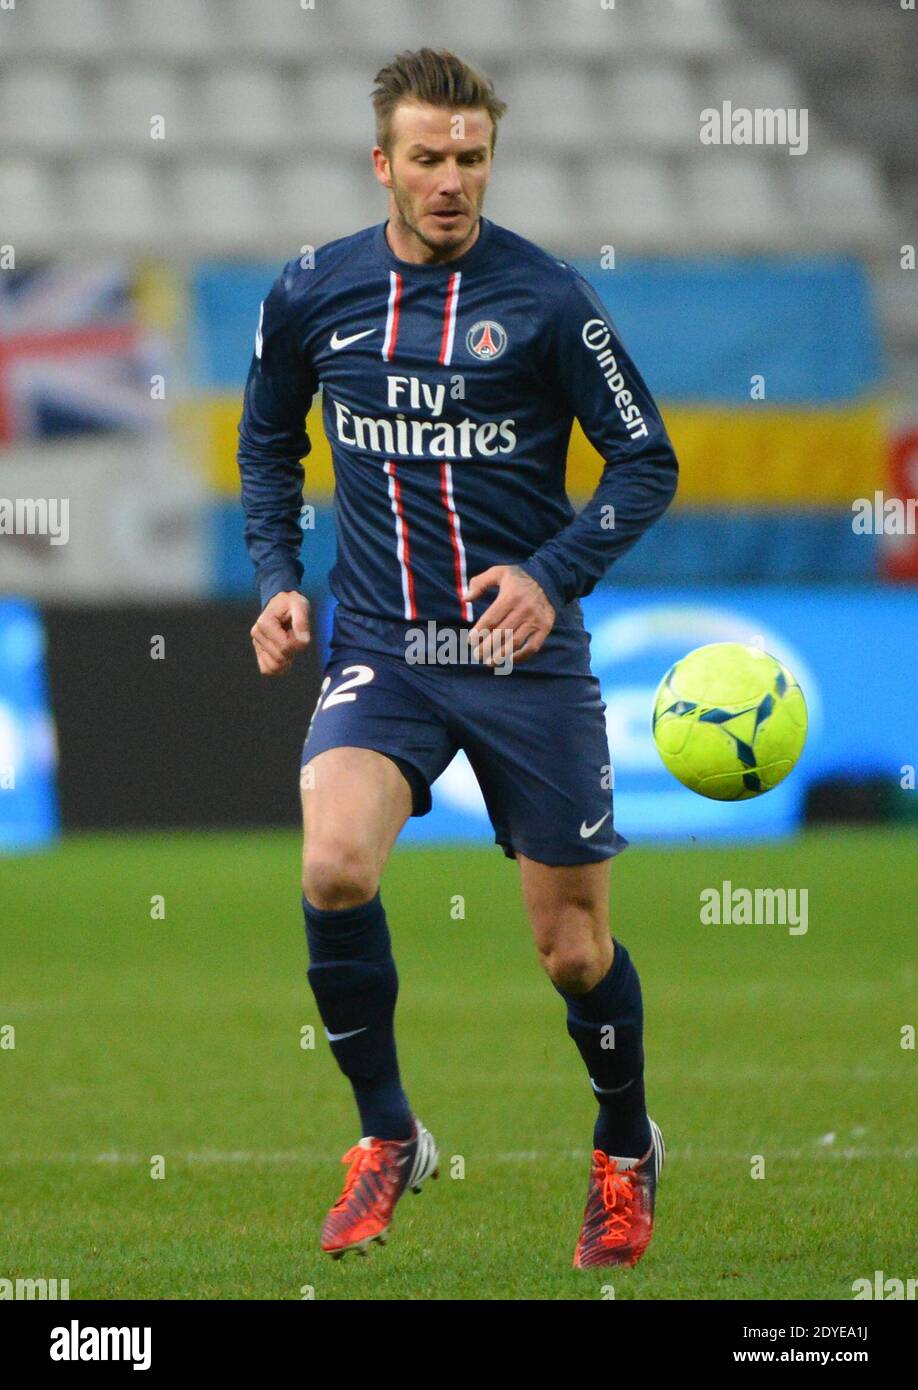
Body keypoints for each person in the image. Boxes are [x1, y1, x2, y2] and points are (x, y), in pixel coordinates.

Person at [237, 47, 677, 1269]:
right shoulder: (312, 292)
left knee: (573, 951)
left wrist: (548, 574)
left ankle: (625, 1143)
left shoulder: (548, 300)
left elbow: (647, 461)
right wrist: (278, 580)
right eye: (427, 158)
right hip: (386, 644)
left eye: (471, 158)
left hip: (522, 659)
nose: (451, 181)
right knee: (332, 863)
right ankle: (389, 1137)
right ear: (383, 162)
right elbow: (268, 444)